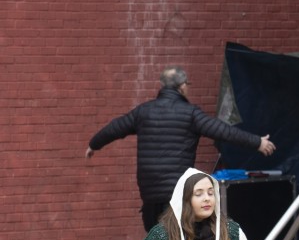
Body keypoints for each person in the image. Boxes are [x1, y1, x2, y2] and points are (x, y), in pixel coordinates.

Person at [87, 66, 277, 230]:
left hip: (150, 189)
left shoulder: (143, 112)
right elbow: (223, 131)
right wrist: (257, 142)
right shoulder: (190, 114)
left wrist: (93, 144)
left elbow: (114, 128)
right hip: (177, 188)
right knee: (179, 237)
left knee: (156, 237)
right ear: (182, 86)